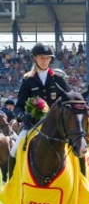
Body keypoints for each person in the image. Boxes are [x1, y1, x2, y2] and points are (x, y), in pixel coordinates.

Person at [9, 42, 71, 179]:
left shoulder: (58, 79)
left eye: (48, 58)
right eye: (42, 58)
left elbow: (69, 98)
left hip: (57, 125)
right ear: (35, 58)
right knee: (14, 150)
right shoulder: (27, 80)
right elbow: (19, 106)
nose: (45, 61)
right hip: (33, 123)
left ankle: (81, 180)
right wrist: (22, 116)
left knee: (79, 150)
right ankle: (12, 181)